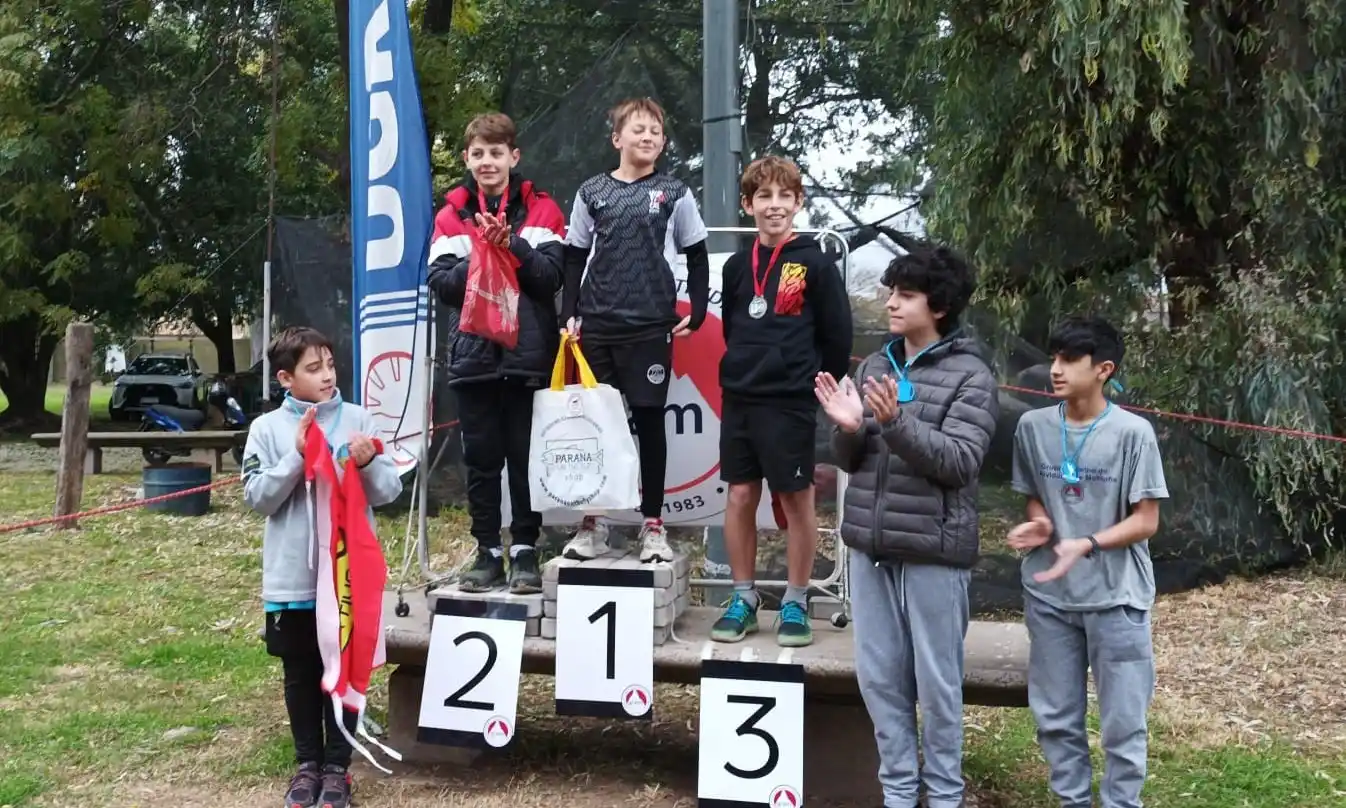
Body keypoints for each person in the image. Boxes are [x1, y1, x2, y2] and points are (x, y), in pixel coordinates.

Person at [814, 245, 999, 808]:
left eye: (905, 294)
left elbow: (961, 463)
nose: (889, 302)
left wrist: (895, 424)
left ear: (938, 305)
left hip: (933, 552)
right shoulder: (874, 365)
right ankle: (897, 793)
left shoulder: (972, 376)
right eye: (891, 291)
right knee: (879, 679)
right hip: (870, 548)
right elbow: (851, 459)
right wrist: (847, 430)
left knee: (938, 686)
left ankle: (943, 796)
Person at [1006, 315, 1168, 808]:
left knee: (1123, 724)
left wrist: (1088, 543)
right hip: (1049, 596)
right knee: (1055, 718)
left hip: (1117, 598)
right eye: (1053, 357)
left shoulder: (1132, 433)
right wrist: (1043, 524)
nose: (1055, 369)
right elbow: (1034, 495)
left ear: (1103, 369)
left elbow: (1146, 521)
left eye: (1069, 360)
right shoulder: (1032, 426)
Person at [241, 326, 404, 808]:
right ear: (286, 378)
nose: (328, 375)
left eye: (330, 364)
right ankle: (306, 766)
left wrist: (370, 460)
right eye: (314, 369)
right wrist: (295, 454)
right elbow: (258, 498)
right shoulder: (266, 430)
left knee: (347, 668)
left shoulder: (358, 418)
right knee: (300, 672)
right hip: (293, 578)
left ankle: (338, 769)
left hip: (347, 576)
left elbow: (389, 491)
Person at [557, 97, 711, 563]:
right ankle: (593, 524)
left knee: (649, 425)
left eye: (656, 132)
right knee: (597, 427)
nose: (647, 138)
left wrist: (700, 309)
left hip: (649, 328)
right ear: (617, 138)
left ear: (663, 143)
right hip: (598, 326)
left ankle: (653, 525)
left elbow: (698, 252)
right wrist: (570, 312)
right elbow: (573, 256)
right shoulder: (591, 192)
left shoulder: (675, 193)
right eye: (638, 129)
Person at [708, 155, 853, 648]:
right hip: (741, 398)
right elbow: (734, 329)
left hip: (790, 401)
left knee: (797, 499)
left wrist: (806, 382)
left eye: (783, 197)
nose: (774, 206)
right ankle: (743, 597)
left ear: (798, 202)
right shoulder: (733, 267)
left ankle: (795, 599)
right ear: (748, 205)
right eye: (763, 197)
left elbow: (837, 337)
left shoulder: (814, 263)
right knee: (740, 496)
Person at [426, 112, 566, 594]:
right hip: (474, 358)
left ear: (514, 157)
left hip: (528, 358)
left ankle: (526, 550)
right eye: (479, 154)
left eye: (497, 152)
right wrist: (479, 254)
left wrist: (515, 247)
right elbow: (441, 285)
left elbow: (552, 279)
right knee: (482, 460)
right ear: (466, 159)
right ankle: (486, 553)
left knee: (526, 458)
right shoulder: (449, 216)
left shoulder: (543, 211)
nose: (488, 162)